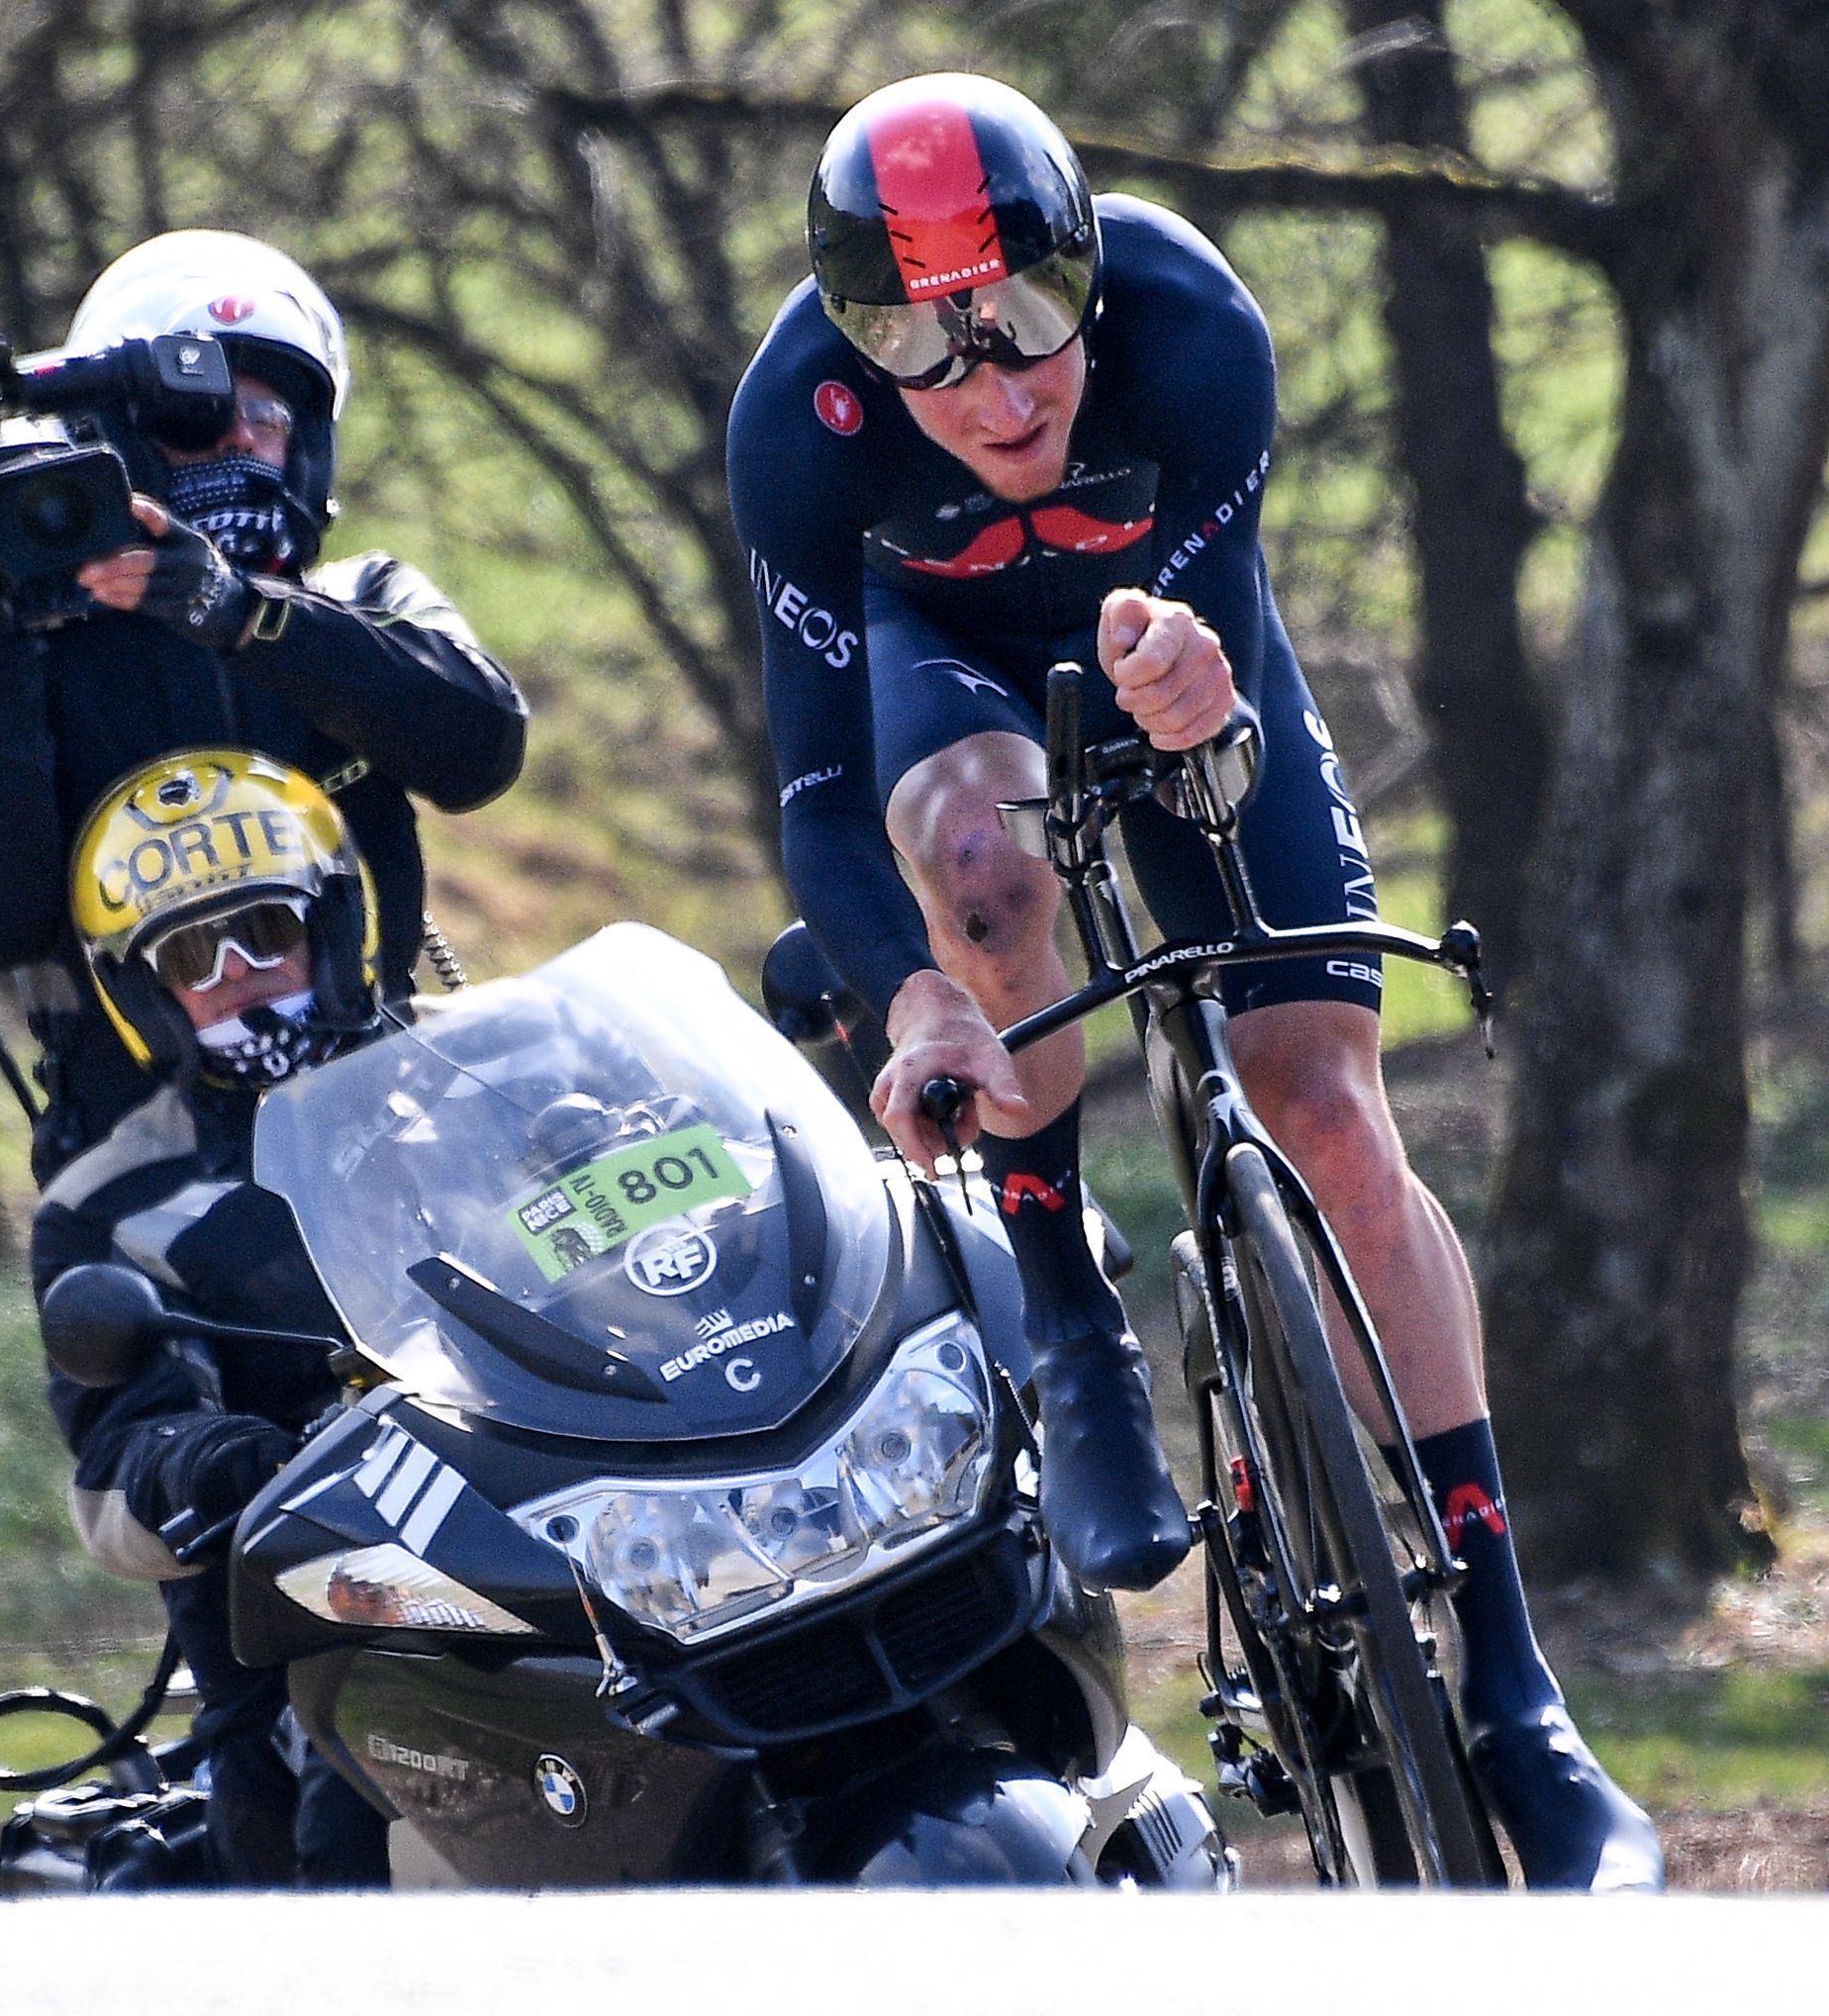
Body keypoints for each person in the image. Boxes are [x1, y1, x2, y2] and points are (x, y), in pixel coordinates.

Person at [725, 72, 1660, 1890]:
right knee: (983, 875)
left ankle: (1520, 1692)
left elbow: (1193, 650)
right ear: (862, 350)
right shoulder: (797, 432)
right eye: (935, 357)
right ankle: (1071, 1301)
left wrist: (1194, 693)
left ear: (1087, 276)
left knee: (1321, 1100)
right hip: (945, 669)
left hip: (1175, 635)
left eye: (1032, 333)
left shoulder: (1195, 328)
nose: (1000, 396)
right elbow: (827, 793)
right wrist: (917, 998)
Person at [0, 229, 528, 1179]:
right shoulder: (24, 647)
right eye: (197, 419)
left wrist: (245, 615)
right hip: (150, 1181)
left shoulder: (365, 594)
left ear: (309, 446)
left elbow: (482, 748)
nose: (239, 438)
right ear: (114, 442)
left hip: (393, 1141)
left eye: (268, 415)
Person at [34, 746, 396, 1886]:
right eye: (194, 953)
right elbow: (111, 1473)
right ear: (148, 992)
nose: (239, 971)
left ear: (330, 930)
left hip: (588, 1539)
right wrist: (198, 1459)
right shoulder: (112, 1203)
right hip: (335, 1632)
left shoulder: (492, 1068)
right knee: (359, 1835)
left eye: (267, 931)